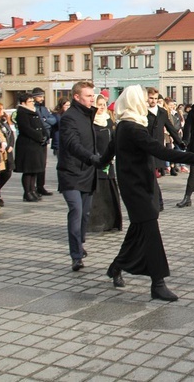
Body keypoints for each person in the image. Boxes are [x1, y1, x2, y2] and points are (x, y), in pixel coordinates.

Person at [107, 85, 194, 301]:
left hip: (138, 186)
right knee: (151, 235)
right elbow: (159, 150)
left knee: (137, 231)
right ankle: (157, 284)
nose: (146, 102)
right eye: (143, 99)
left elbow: (106, 154)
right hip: (138, 189)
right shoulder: (133, 128)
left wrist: (95, 161)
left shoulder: (124, 124)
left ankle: (116, 266)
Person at [57, 81, 109, 272]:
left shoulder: (89, 115)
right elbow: (72, 144)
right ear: (77, 97)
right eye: (88, 96)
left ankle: (80, 243)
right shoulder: (69, 117)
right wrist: (92, 158)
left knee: (86, 213)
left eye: (92, 95)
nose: (92, 99)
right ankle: (76, 256)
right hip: (70, 172)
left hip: (87, 171)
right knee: (76, 211)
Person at [146, 88, 184, 211]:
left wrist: (180, 143)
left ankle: (157, 203)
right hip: (145, 148)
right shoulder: (142, 111)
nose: (153, 101)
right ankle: (156, 203)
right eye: (151, 98)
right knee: (149, 176)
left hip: (157, 148)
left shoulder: (162, 112)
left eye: (155, 98)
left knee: (151, 177)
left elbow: (170, 128)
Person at [88, 94, 122, 232]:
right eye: (98, 104)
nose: (101, 107)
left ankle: (111, 223)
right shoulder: (90, 122)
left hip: (110, 161)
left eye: (103, 104)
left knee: (110, 192)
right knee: (98, 193)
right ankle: (96, 223)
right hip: (96, 161)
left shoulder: (109, 121)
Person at [14, 93, 46, 202]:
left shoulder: (34, 111)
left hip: (36, 145)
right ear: (23, 103)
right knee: (28, 170)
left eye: (33, 101)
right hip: (27, 145)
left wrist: (45, 135)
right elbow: (26, 128)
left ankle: (33, 190)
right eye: (30, 101)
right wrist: (39, 137)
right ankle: (27, 192)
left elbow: (41, 125)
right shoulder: (22, 112)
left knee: (35, 170)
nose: (32, 103)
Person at [32, 87, 56, 196]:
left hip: (45, 138)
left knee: (43, 164)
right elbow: (39, 122)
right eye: (39, 96)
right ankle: (32, 188)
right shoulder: (33, 108)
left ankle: (41, 186)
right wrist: (45, 120)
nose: (42, 98)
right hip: (35, 140)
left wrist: (45, 119)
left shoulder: (44, 109)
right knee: (34, 165)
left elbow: (53, 120)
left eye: (42, 96)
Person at [0, 103, 15, 207]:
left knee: (7, 173)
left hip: (7, 150)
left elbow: (11, 133)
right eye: (0, 109)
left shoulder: (3, 121)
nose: (3, 110)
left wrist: (10, 144)